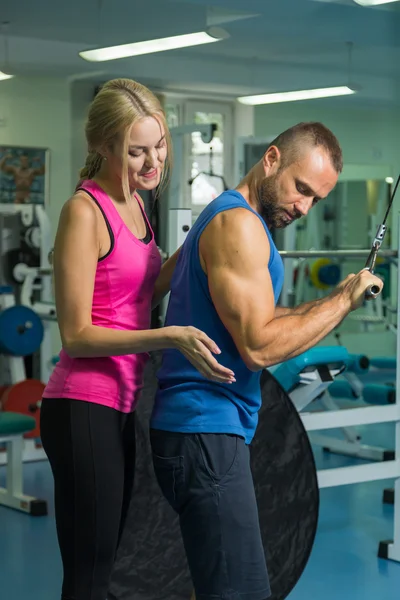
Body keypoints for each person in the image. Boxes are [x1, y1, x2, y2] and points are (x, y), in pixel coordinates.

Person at [149, 122, 384, 600]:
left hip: (202, 432)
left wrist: (335, 297)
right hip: (205, 431)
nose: (302, 207)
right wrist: (341, 305)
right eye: (301, 189)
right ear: (271, 159)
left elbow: (260, 318)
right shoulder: (239, 226)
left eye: (316, 200)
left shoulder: (227, 217)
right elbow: (258, 346)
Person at [40, 78, 235, 600]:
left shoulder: (138, 205)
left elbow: (141, 290)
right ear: (102, 146)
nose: (153, 163)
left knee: (105, 566)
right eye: (136, 151)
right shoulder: (84, 211)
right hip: (83, 403)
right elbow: (77, 334)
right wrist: (167, 335)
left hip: (120, 405)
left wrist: (204, 237)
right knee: (88, 576)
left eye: (159, 146)